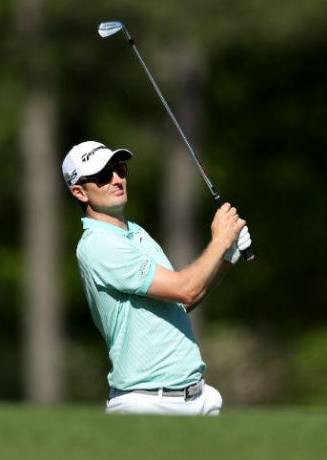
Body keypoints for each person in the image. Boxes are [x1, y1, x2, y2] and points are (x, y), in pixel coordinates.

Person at [61, 140, 252, 416]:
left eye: (120, 170)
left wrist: (225, 257)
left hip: (197, 397)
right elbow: (185, 289)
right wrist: (220, 241)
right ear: (80, 192)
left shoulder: (136, 233)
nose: (116, 179)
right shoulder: (98, 245)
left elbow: (182, 301)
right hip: (148, 402)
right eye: (103, 176)